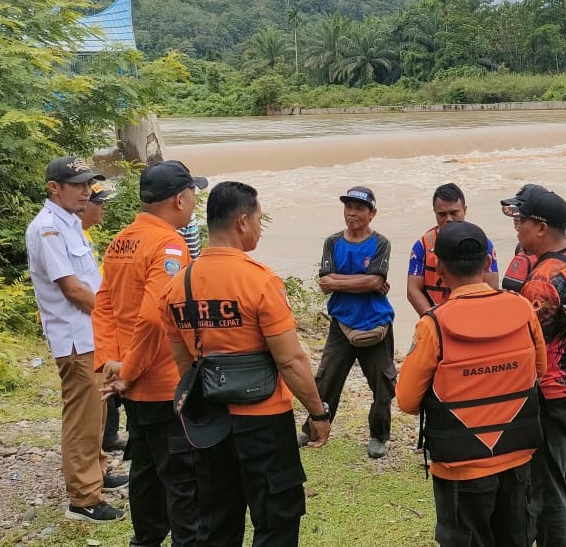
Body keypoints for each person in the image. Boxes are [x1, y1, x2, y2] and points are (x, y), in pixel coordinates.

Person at [163, 181, 333, 545]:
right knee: (277, 516)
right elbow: (290, 361)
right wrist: (317, 413)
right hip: (263, 419)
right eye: (257, 220)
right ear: (242, 222)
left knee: (216, 519)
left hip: (209, 420)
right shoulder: (260, 281)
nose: (257, 228)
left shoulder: (179, 285)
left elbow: (182, 361)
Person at [397, 221, 547, 547]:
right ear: (487, 262)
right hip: (517, 456)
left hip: (460, 467)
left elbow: (407, 400)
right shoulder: (523, 308)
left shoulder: (433, 325)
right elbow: (540, 369)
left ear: (439, 269)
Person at [93, 160, 207, 546]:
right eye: (193, 194)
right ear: (179, 198)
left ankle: (145, 540)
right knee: (181, 475)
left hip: (131, 379)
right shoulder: (169, 244)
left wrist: (112, 361)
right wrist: (128, 370)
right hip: (162, 381)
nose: (194, 202)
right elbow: (157, 316)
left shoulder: (120, 239)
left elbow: (103, 305)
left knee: (144, 468)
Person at [25, 156, 125, 523]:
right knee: (83, 417)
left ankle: (97, 472)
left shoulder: (71, 224)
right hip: (75, 338)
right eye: (78, 184)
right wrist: (113, 320)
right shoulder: (47, 229)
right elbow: (72, 289)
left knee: (98, 411)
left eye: (88, 183)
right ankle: (83, 499)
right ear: (54, 187)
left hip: (90, 334)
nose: (86, 190)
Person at [502, 190, 566, 547]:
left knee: (548, 489)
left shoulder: (541, 280)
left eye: (521, 222)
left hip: (552, 392)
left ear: (541, 227)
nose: (517, 229)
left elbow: (525, 340)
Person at [309, 185, 396, 458]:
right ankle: (313, 428)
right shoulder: (332, 242)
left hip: (376, 322)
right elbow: (324, 283)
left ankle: (379, 435)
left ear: (372, 213)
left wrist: (342, 281)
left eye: (359, 208)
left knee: (383, 384)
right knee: (325, 380)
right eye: (348, 207)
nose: (352, 213)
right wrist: (367, 281)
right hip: (341, 323)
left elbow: (374, 281)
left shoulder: (380, 243)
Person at [77, 181, 127, 453]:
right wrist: (108, 315)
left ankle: (108, 440)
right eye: (100, 202)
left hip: (97, 322)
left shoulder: (85, 236)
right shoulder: (71, 235)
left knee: (107, 383)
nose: (104, 207)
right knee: (100, 386)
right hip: (87, 326)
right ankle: (101, 447)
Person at [406, 183, 500, 315]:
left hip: (475, 313)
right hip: (436, 314)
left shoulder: (481, 243)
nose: (449, 219)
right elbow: (413, 290)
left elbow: (492, 286)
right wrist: (433, 319)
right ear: (435, 213)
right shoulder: (422, 245)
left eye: (454, 212)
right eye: (442, 214)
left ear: (465, 210)